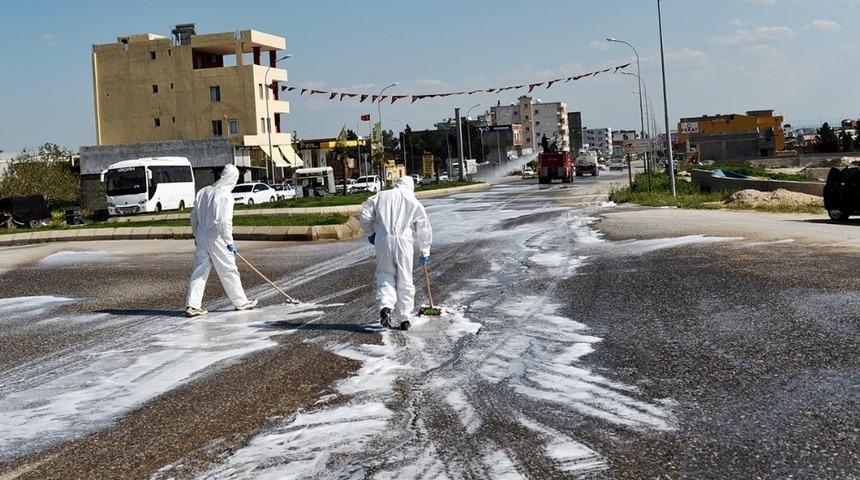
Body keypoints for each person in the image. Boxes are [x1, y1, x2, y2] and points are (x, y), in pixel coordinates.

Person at [359, 175, 432, 330]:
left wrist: (371, 232)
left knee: (385, 274)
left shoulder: (380, 196)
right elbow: (423, 227)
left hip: (383, 240)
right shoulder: (412, 200)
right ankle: (404, 319)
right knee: (405, 277)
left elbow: (364, 216)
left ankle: (385, 306)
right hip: (404, 241)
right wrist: (424, 251)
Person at [185, 165, 258, 317]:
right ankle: (240, 302)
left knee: (199, 270)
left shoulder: (203, 191)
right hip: (217, 236)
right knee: (228, 269)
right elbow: (224, 222)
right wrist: (229, 241)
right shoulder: (225, 195)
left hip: (201, 234)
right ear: (233, 178)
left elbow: (193, 216)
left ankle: (193, 305)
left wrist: (196, 235)